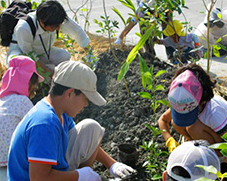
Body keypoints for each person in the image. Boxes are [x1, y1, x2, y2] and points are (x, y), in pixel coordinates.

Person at [7, 60, 136, 181]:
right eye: (85, 98)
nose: (86, 104)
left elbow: (84, 141)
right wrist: (79, 175)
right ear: (70, 93)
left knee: (91, 128)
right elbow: (39, 178)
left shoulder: (59, 112)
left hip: (48, 172)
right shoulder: (45, 123)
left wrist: (112, 164)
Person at [158, 63, 227, 173]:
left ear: (203, 101)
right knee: (176, 123)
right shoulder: (183, 102)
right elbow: (163, 120)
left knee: (193, 128)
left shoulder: (214, 113)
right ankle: (197, 147)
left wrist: (225, 167)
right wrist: (169, 140)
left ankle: (214, 156)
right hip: (208, 135)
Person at [7, 0, 98, 74]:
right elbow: (29, 54)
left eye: (59, 25)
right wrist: (48, 73)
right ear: (41, 22)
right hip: (22, 54)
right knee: (18, 66)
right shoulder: (24, 27)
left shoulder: (57, 18)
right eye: (55, 27)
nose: (58, 28)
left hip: (44, 51)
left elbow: (77, 32)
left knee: (64, 56)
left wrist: (90, 54)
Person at [0, 56, 44, 181]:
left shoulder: (2, 100)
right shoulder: (23, 101)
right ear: (27, 82)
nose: (34, 92)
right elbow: (37, 130)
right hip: (15, 162)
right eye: (34, 88)